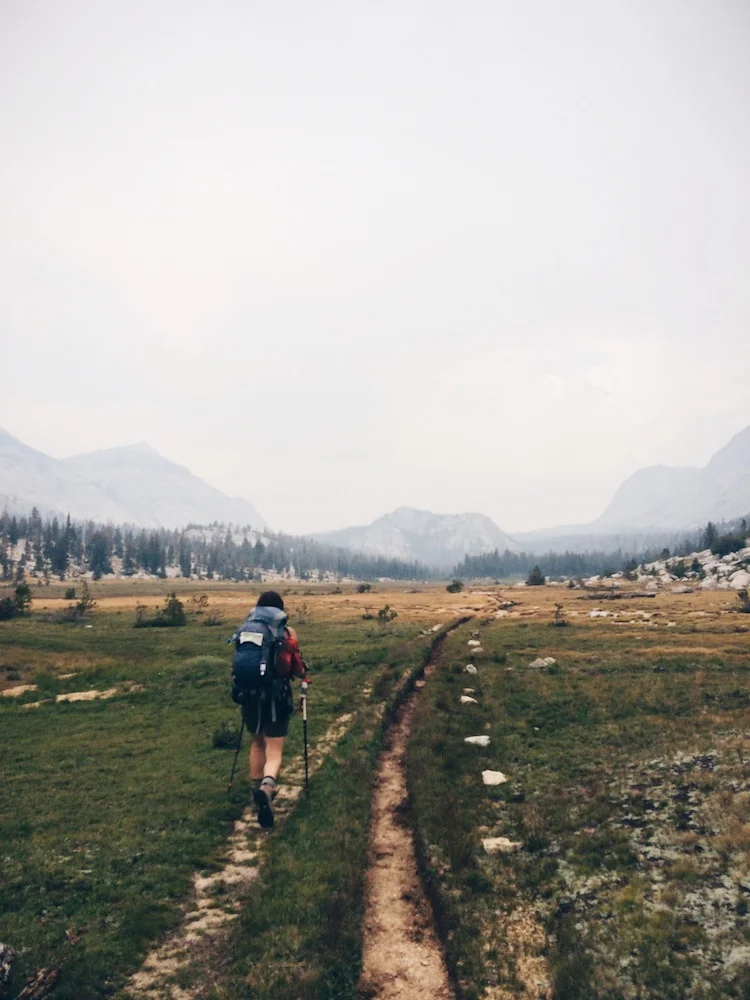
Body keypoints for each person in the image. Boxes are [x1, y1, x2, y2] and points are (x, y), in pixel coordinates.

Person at [233, 591, 308, 828]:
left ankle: (256, 792)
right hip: (276, 698)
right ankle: (267, 788)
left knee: (256, 743)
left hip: (249, 696)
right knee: (274, 750)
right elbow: (297, 669)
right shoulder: (286, 633)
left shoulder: (247, 630)